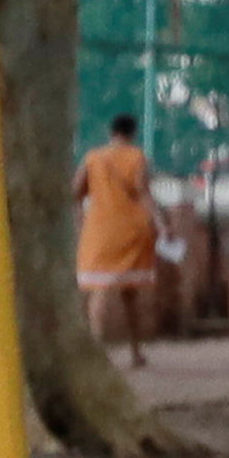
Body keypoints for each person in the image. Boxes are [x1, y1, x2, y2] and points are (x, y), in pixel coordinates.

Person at [72, 109, 163, 361]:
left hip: (100, 231)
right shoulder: (137, 157)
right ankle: (135, 351)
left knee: (99, 290)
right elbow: (144, 194)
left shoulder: (93, 158)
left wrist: (82, 220)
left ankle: (95, 351)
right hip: (131, 231)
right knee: (130, 292)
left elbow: (75, 193)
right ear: (132, 133)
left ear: (111, 132)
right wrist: (161, 225)